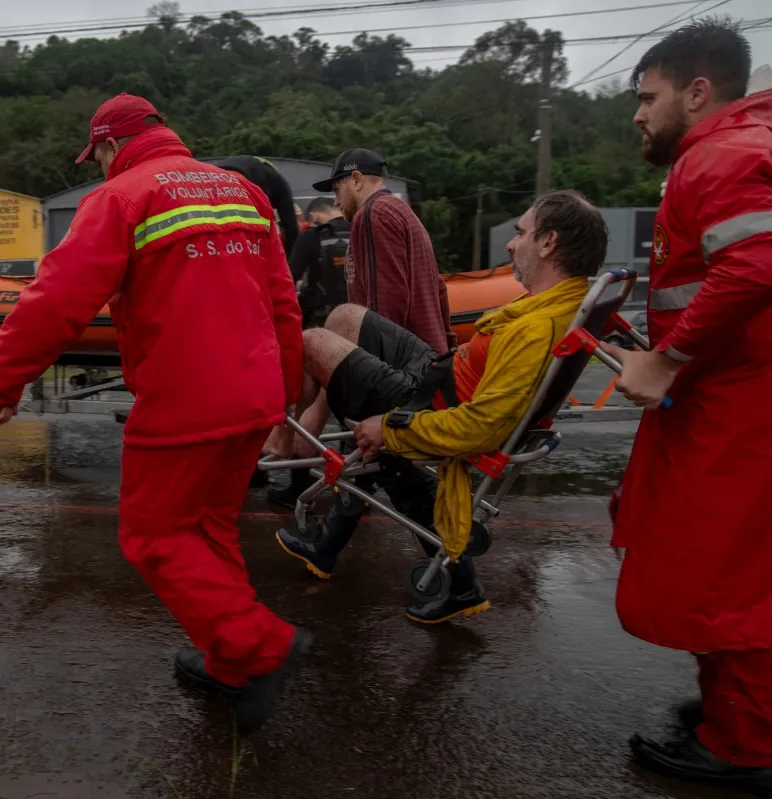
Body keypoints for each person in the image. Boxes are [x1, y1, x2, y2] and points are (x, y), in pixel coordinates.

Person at [0, 93, 313, 735]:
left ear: (106, 146)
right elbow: (283, 302)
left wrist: (1, 382)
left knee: (153, 537)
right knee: (208, 531)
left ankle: (262, 648)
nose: (100, 164)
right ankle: (229, 664)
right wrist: (286, 390)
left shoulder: (121, 197)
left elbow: (54, 301)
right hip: (254, 394)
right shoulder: (244, 192)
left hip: (185, 399)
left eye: (97, 154)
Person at [273, 190, 605, 623]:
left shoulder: (538, 328)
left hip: (433, 403)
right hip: (439, 375)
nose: (510, 243)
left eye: (520, 233)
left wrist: (390, 429)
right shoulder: (559, 301)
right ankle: (326, 539)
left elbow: (481, 426)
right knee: (343, 317)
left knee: (313, 343)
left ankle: (287, 448)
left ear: (548, 243)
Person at [599, 19, 772, 791]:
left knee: (732, 575)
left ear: (698, 92)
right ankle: (728, 713)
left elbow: (759, 261)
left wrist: (668, 358)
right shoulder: (739, 148)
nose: (637, 113)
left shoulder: (721, 156)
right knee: (729, 569)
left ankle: (746, 745)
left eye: (648, 96)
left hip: (739, 403)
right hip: (730, 394)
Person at [265, 148, 455, 508]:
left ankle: (285, 435)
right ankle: (295, 446)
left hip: (402, 374)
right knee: (363, 457)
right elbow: (440, 291)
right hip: (426, 365)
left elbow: (383, 312)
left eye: (337, 188)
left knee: (318, 339)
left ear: (356, 180)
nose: (335, 200)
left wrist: (331, 394)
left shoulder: (374, 215)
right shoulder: (405, 215)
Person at [214, 155, 301, 256]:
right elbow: (291, 227)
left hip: (213, 179)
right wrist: (288, 259)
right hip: (243, 181)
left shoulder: (265, 174)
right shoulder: (278, 182)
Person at [288, 197, 350, 329]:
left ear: (313, 216)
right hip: (360, 317)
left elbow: (288, 280)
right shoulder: (360, 230)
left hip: (321, 320)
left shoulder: (310, 236)